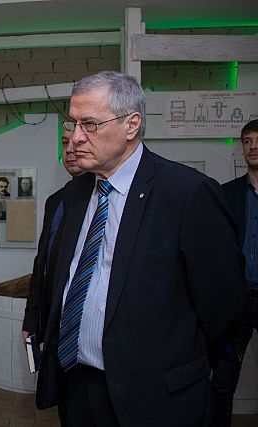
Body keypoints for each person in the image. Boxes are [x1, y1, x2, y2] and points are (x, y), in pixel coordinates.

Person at [40, 71, 246, 426]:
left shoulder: (187, 194)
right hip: (77, 384)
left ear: (131, 125)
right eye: (72, 123)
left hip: (154, 396)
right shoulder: (75, 193)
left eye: (90, 124)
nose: (75, 137)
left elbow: (224, 308)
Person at [22, 129, 83, 424]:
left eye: (77, 142)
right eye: (64, 142)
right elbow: (42, 265)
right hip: (54, 329)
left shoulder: (105, 201)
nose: (70, 150)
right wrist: (31, 320)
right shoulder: (55, 202)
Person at [209, 119, 258, 426]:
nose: (253, 147)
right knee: (222, 380)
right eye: (247, 141)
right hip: (237, 301)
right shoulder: (227, 194)